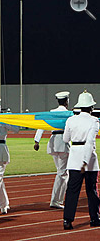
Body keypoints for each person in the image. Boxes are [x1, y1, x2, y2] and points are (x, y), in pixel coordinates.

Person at [63, 91, 100, 230]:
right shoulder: (94, 121)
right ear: (91, 108)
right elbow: (90, 142)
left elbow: (65, 139)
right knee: (92, 190)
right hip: (89, 160)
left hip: (74, 158)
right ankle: (94, 218)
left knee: (72, 191)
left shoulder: (71, 120)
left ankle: (67, 220)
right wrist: (85, 161)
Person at [34, 91, 70, 209]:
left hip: (53, 142)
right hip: (63, 142)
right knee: (62, 173)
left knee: (62, 172)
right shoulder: (69, 113)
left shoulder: (51, 112)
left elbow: (41, 126)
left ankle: (58, 199)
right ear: (66, 101)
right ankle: (56, 200)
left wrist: (37, 141)